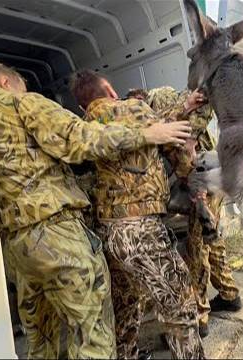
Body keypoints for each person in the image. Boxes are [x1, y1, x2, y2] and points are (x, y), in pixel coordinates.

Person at [0, 58, 192, 359]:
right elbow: (80, 140)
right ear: (5, 83)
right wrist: (149, 135)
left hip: (16, 247)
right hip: (56, 234)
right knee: (92, 335)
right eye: (20, 87)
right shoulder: (20, 104)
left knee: (41, 342)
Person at [70, 70, 206, 359]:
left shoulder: (83, 125)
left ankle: (126, 354)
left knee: (125, 305)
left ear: (83, 105)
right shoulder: (132, 107)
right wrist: (186, 108)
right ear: (109, 89)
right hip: (140, 229)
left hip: (106, 233)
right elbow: (165, 134)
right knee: (180, 306)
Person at [148, 87, 242, 339]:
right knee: (212, 241)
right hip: (213, 183)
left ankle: (200, 316)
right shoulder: (190, 119)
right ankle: (229, 294)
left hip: (202, 186)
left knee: (197, 248)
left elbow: (186, 163)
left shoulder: (176, 128)